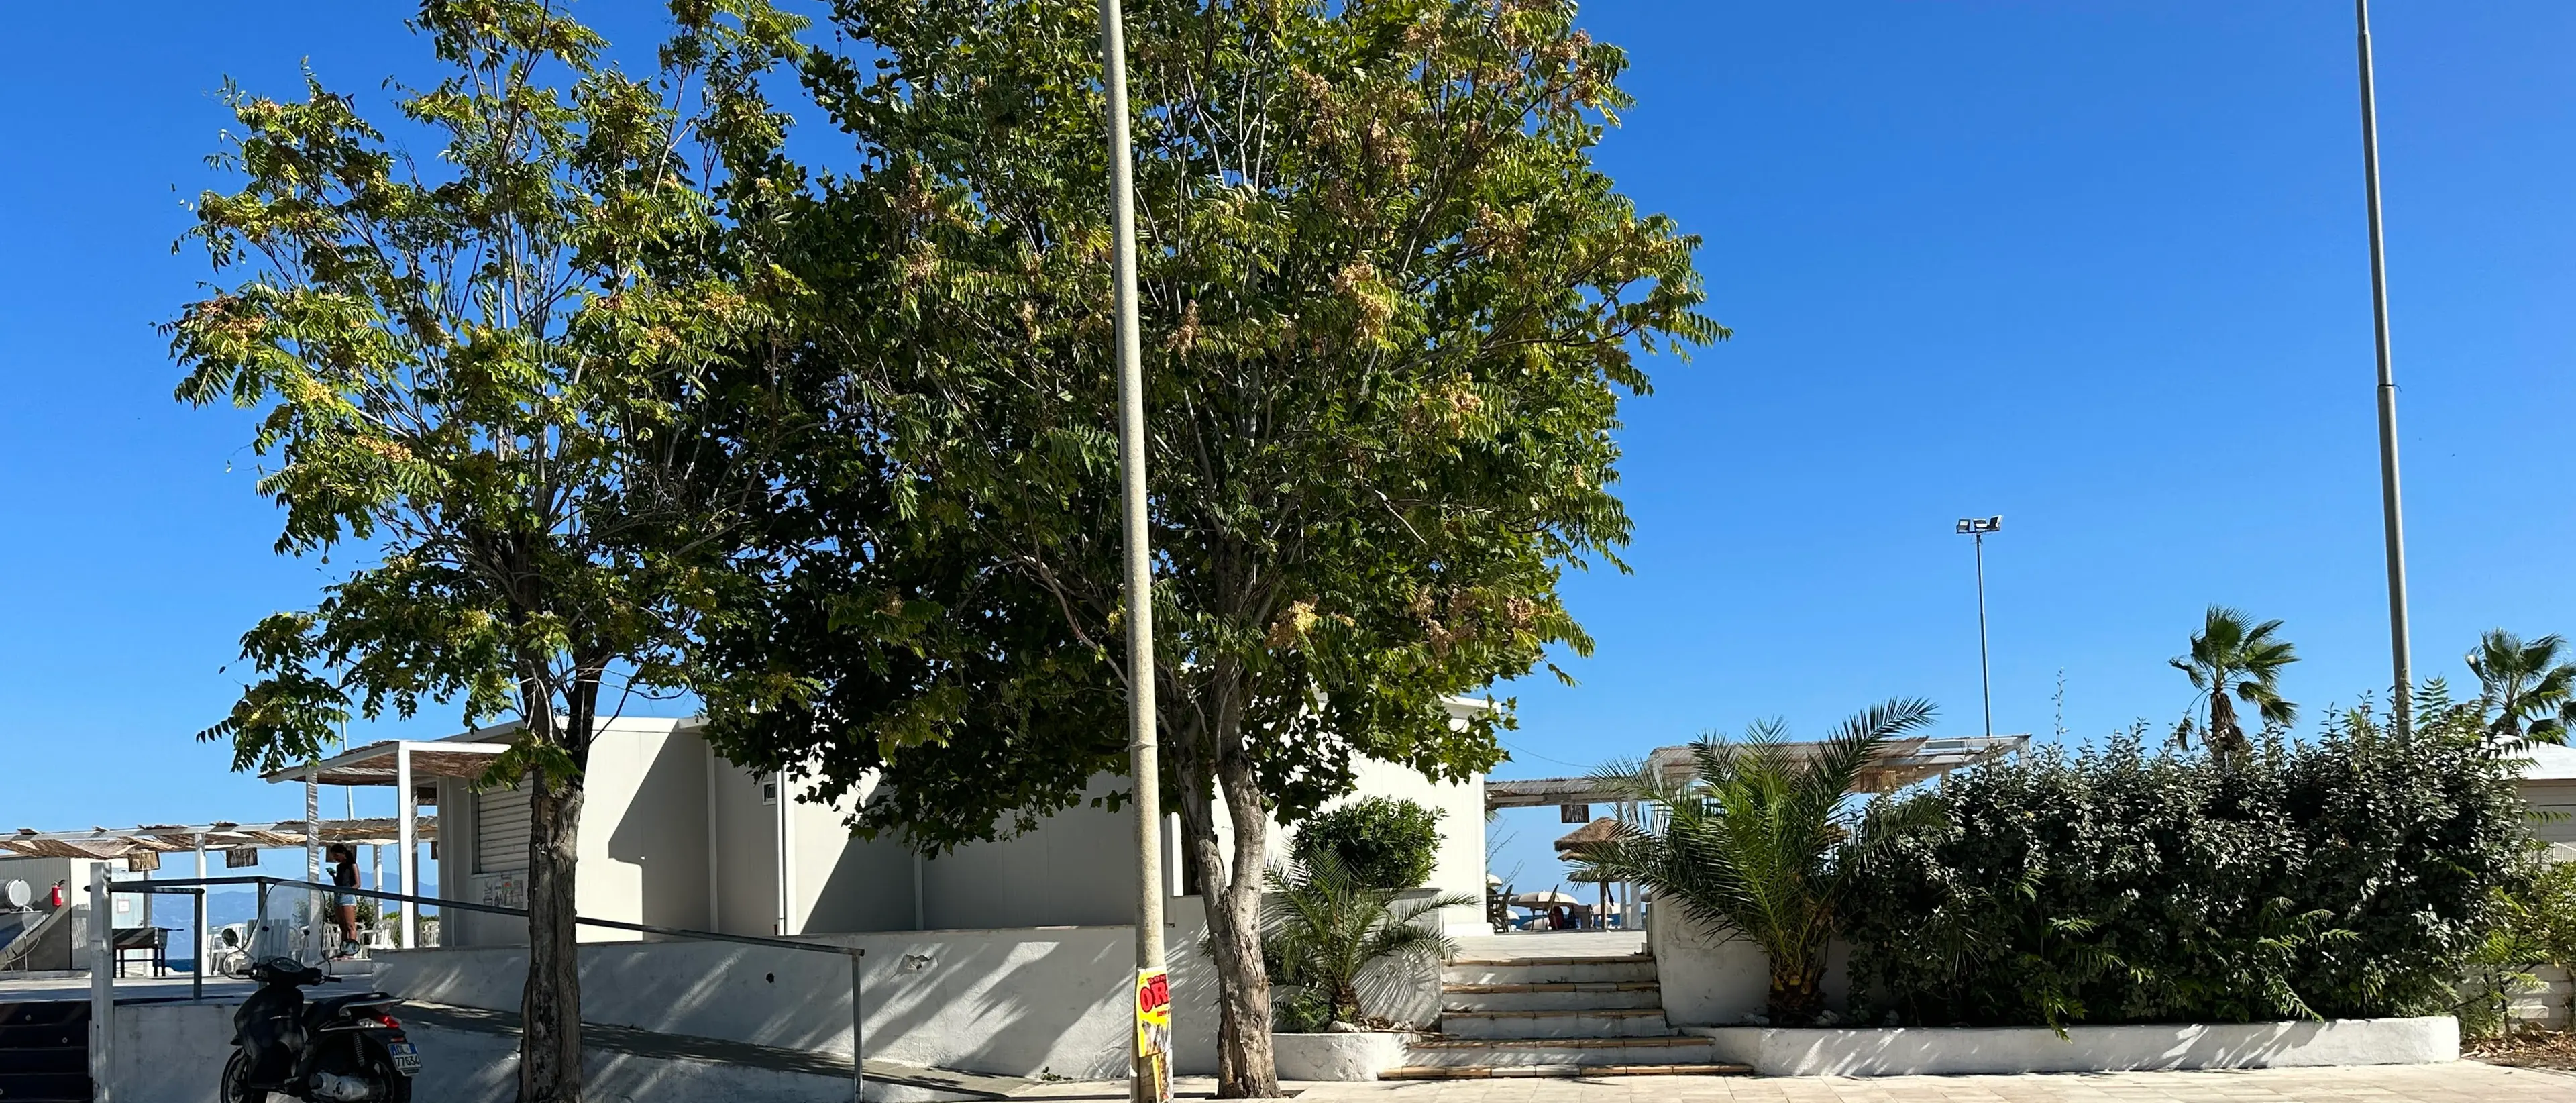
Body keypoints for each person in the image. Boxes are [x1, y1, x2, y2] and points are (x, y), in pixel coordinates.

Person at [327, 844, 361, 954]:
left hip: (347, 897)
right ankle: (344, 950)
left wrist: (349, 891)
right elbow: (338, 883)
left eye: (337, 855)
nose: (336, 858)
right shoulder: (339, 867)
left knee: (350, 925)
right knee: (343, 927)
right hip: (338, 895)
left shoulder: (352, 865)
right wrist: (333, 875)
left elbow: (357, 884)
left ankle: (351, 950)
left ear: (343, 854)